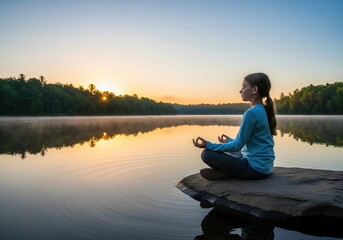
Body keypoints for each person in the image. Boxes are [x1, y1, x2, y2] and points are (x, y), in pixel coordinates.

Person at [192, 72, 277, 180]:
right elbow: (256, 142)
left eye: (244, 87)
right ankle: (228, 172)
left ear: (254, 90)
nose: (240, 91)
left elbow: (237, 145)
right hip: (266, 167)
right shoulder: (264, 110)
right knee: (232, 151)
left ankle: (227, 173)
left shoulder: (251, 113)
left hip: (255, 169)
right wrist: (230, 141)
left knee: (206, 154)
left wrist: (208, 145)